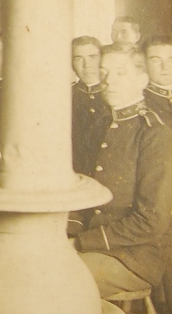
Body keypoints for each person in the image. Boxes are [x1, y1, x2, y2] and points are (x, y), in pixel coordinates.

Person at [71, 44, 172, 298]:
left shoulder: (155, 134)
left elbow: (151, 222)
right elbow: (79, 188)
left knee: (49, 277)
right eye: (104, 72)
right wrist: (69, 235)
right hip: (90, 244)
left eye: (120, 73)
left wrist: (81, 243)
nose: (109, 81)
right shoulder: (99, 126)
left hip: (135, 256)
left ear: (143, 79)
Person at [71, 36, 111, 177]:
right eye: (78, 59)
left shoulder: (116, 94)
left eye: (92, 57)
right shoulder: (64, 98)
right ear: (71, 64)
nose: (86, 65)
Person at [144, 35, 172, 124]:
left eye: (170, 60)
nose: (165, 67)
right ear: (144, 63)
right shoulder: (141, 102)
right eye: (156, 60)